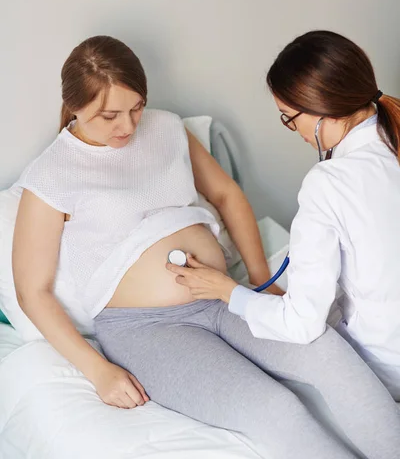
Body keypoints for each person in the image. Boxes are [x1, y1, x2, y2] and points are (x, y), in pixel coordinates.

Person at [12, 35, 400, 459]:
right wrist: (97, 369)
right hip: (145, 329)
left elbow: (227, 196)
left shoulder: (166, 128)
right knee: (273, 408)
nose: (128, 126)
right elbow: (33, 291)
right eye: (109, 116)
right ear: (75, 105)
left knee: (332, 357)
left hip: (220, 297)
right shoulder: (51, 174)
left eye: (137, 107)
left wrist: (258, 280)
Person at [167, 30, 400, 404]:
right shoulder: (390, 140)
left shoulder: (330, 182)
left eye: (289, 118)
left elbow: (301, 324)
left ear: (320, 111)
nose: (295, 131)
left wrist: (226, 291)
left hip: (387, 371)